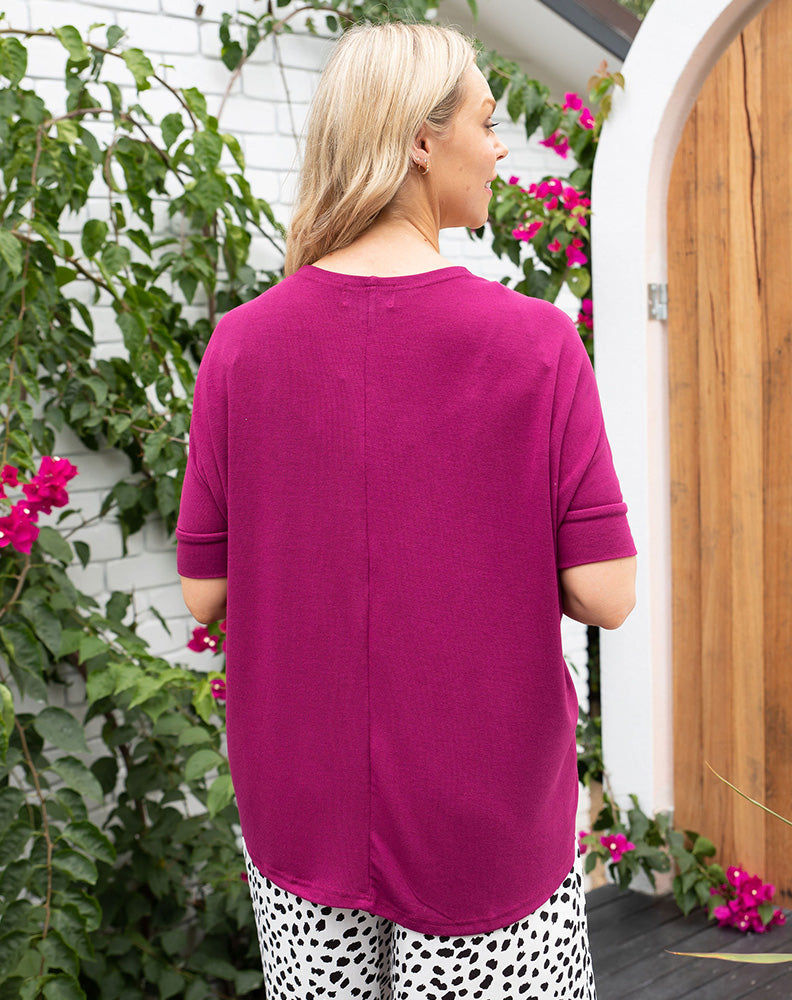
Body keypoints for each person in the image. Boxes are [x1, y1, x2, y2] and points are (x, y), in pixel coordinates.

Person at [176, 21, 636, 1000]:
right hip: (487, 818)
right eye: (486, 120)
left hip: (300, 806)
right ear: (421, 140)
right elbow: (606, 593)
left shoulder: (241, 347)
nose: (500, 146)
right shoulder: (536, 345)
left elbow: (204, 593)